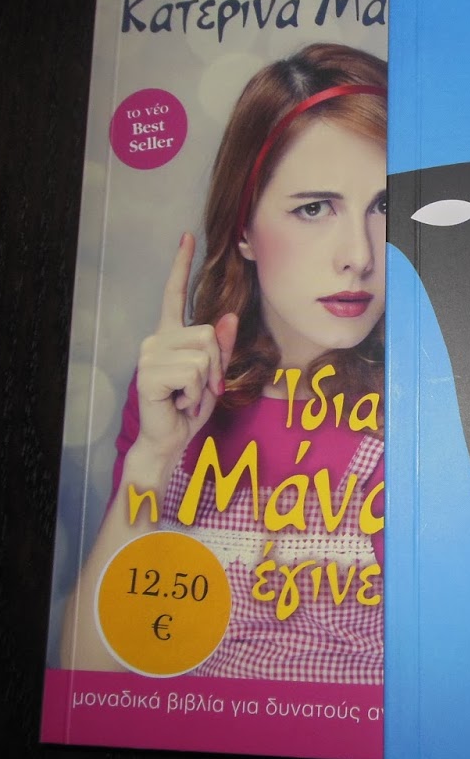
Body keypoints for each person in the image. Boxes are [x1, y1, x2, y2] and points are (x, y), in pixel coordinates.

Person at [62, 43, 388, 682]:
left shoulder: (425, 411)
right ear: (243, 229)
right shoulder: (177, 394)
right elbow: (88, 675)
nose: (358, 255)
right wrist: (153, 457)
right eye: (314, 208)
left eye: (386, 207)